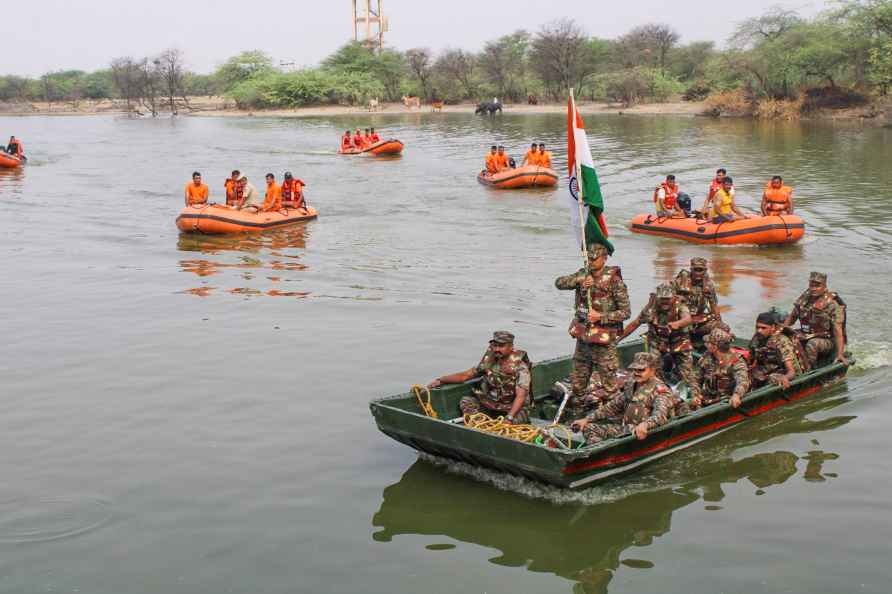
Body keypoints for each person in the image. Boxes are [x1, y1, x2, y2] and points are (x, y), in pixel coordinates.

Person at [555, 243, 631, 419]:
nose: (590, 262)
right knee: (578, 383)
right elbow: (559, 283)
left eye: (594, 259)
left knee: (610, 385)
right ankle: (577, 417)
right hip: (583, 340)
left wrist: (601, 316)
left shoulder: (615, 281)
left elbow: (625, 313)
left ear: (604, 259)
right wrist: (578, 281)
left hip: (604, 342)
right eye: (588, 258)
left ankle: (614, 419)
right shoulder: (583, 274)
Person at [571, 352, 677, 444]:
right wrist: (586, 419)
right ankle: (599, 454)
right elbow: (612, 406)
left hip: (646, 432)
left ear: (652, 370)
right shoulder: (631, 385)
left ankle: (607, 455)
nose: (636, 373)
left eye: (641, 370)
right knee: (588, 428)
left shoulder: (660, 390)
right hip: (627, 429)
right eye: (634, 369)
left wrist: (645, 425)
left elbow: (660, 416)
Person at [621, 283, 701, 405]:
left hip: (679, 342)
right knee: (652, 368)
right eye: (662, 299)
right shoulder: (651, 308)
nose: (664, 302)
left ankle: (696, 398)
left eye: (667, 299)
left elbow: (688, 319)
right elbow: (635, 323)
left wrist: (677, 324)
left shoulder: (681, 307)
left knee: (687, 374)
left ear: (674, 297)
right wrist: (617, 339)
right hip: (658, 343)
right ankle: (660, 394)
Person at [429, 331, 533, 424]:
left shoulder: (520, 367)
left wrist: (509, 418)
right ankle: (480, 425)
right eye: (495, 345)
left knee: (511, 423)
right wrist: (441, 380)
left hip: (512, 408)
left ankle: (494, 426)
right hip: (492, 404)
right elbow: (465, 376)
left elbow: (521, 396)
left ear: (511, 347)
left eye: (501, 346)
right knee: (466, 401)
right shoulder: (489, 361)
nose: (497, 349)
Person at [784, 272, 848, 367]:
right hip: (807, 334)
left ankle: (810, 370)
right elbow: (791, 318)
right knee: (787, 338)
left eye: (817, 285)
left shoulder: (832, 304)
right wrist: (780, 332)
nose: (813, 288)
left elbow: (838, 331)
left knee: (812, 344)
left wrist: (840, 354)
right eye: (811, 285)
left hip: (827, 340)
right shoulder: (804, 300)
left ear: (824, 286)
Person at [672, 257, 722, 345]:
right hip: (681, 321)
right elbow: (666, 302)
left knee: (723, 328)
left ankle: (710, 349)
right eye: (695, 270)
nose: (698, 273)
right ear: (691, 269)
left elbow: (714, 306)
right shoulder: (680, 281)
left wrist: (720, 324)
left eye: (701, 270)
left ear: (705, 270)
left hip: (698, 322)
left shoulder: (708, 285)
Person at [749, 311, 805, 389]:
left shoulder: (781, 341)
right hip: (767, 370)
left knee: (772, 378)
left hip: (785, 372)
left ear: (773, 327)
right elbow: (751, 361)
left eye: (763, 328)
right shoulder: (757, 338)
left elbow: (792, 371)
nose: (759, 330)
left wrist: (785, 378)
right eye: (757, 327)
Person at [697, 328, 750, 409]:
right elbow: (698, 378)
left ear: (715, 347)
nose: (705, 344)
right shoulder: (707, 356)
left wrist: (737, 395)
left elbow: (743, 381)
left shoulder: (736, 360)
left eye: (708, 343)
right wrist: (696, 394)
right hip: (708, 397)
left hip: (725, 399)